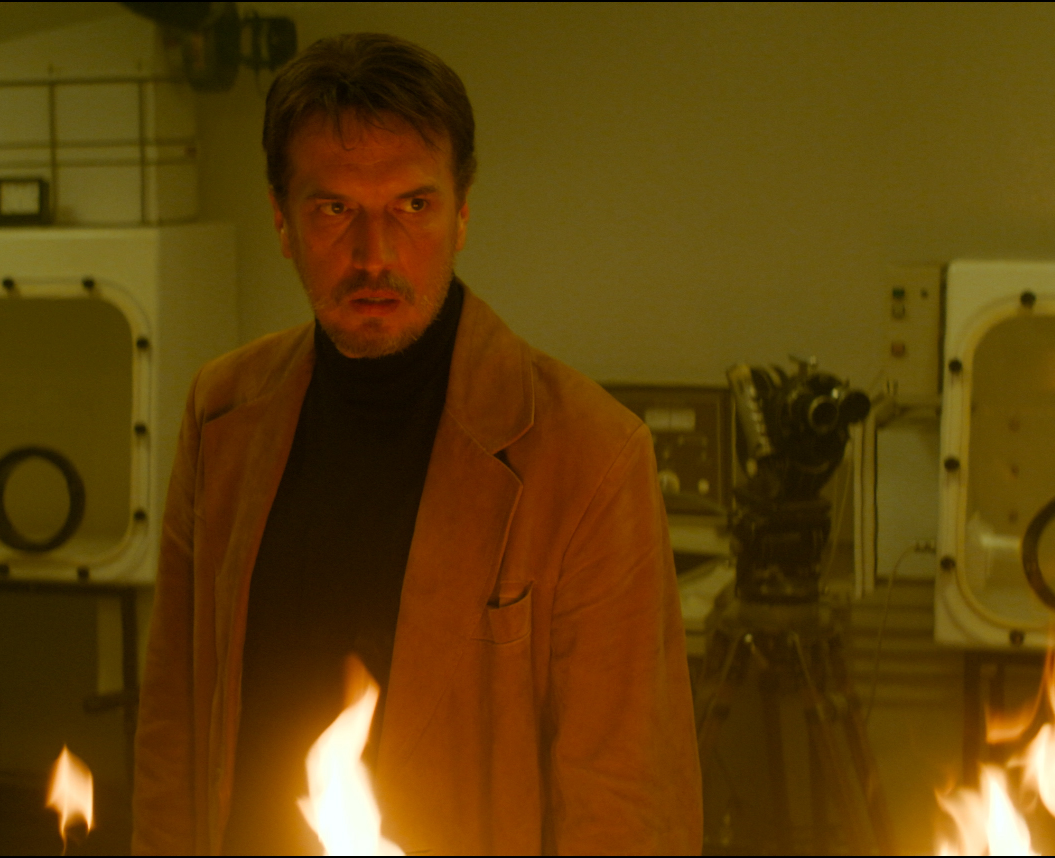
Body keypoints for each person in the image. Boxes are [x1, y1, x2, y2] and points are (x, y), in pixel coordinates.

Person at [131, 33, 702, 855]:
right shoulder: (223, 414)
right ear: (283, 220)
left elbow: (626, 799)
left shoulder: (588, 455)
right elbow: (173, 729)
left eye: (413, 206)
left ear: (462, 213)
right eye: (335, 210)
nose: (375, 255)